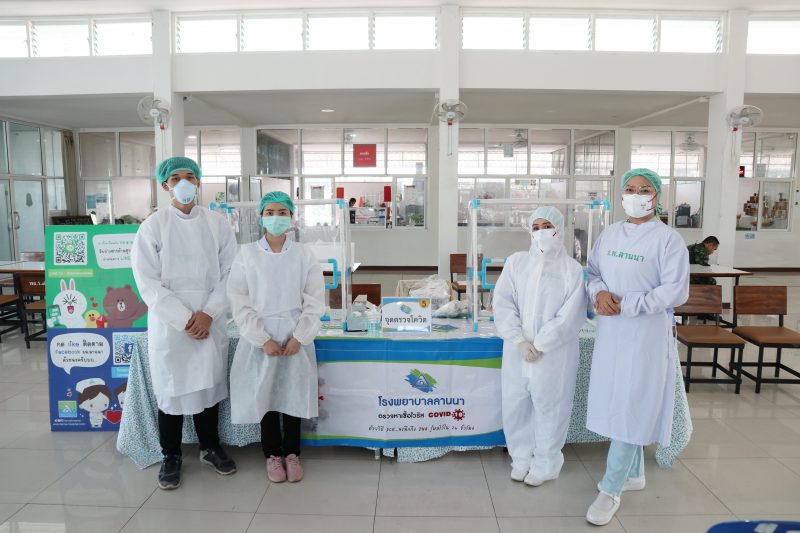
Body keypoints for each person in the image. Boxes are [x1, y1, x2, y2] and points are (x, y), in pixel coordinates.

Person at [584, 168, 689, 526]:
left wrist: (628, 304)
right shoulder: (610, 233)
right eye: (630, 188)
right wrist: (599, 293)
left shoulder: (668, 240)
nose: (636, 195)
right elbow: (593, 272)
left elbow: (675, 290)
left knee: (634, 402)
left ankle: (610, 489)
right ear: (621, 195)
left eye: (644, 189)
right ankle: (634, 473)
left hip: (646, 334)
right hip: (611, 332)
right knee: (616, 396)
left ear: (657, 197)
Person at [131, 156, 238, 491]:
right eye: (175, 177)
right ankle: (171, 454)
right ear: (165, 185)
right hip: (170, 325)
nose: (183, 183)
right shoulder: (153, 226)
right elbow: (147, 281)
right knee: (171, 390)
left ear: (199, 181)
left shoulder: (217, 223)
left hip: (210, 320)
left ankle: (210, 447)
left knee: (208, 385)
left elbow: (232, 273)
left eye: (190, 176)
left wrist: (209, 313)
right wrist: (184, 318)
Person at [227, 191, 325, 484]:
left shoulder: (304, 254)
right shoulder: (247, 254)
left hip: (295, 337)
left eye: (283, 212)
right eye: (270, 212)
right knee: (266, 397)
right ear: (261, 217)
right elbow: (239, 299)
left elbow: (315, 299)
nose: (276, 218)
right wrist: (261, 338)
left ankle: (292, 453)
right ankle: (272, 454)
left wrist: (300, 336)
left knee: (293, 395)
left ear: (292, 217)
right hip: (261, 338)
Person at [493, 206, 587, 487]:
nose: (541, 232)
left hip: (554, 354)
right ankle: (521, 458)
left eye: (547, 226)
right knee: (515, 404)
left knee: (551, 406)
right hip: (517, 350)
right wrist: (519, 340)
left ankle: (546, 463)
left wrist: (542, 343)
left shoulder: (571, 269)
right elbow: (503, 302)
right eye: (535, 228)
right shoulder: (517, 263)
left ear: (559, 229)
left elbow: (570, 315)